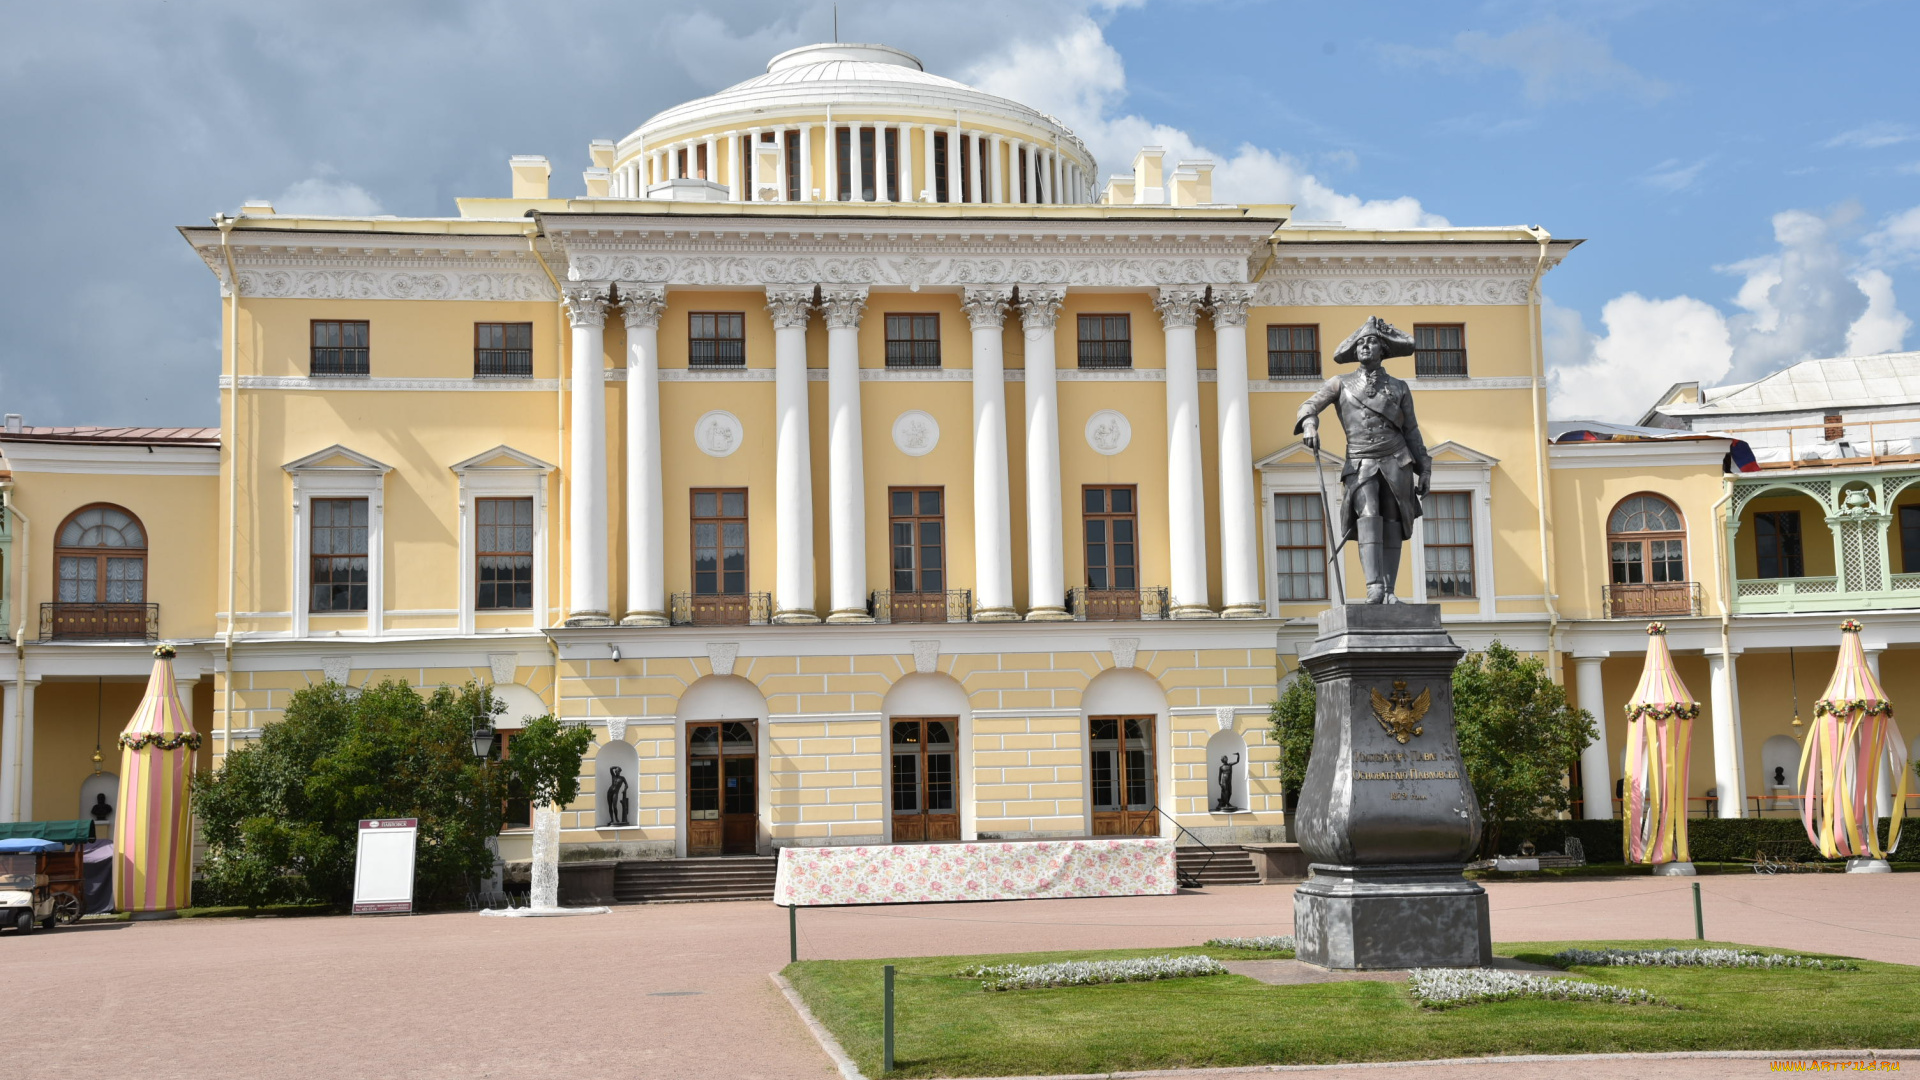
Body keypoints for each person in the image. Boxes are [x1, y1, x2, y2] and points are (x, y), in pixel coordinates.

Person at [1295, 316, 1432, 604]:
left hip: (1396, 460)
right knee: (1369, 516)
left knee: (1393, 521)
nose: (1364, 347)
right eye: (1360, 343)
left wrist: (1425, 468)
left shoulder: (1399, 387)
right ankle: (1374, 587)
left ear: (1383, 350)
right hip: (1360, 461)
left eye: (1370, 342)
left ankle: (1391, 591)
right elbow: (1309, 405)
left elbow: (1412, 430)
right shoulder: (1340, 383)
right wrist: (1309, 424)